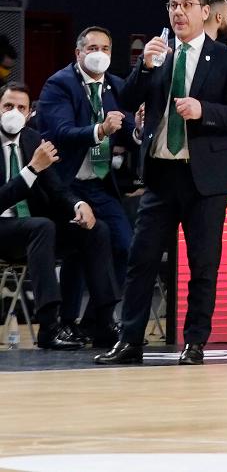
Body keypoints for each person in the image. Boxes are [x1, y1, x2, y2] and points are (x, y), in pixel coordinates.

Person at [95, 0, 227, 367]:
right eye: (172, 6)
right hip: (162, 173)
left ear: (204, 12)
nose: (177, 12)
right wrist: (144, 69)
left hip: (207, 177)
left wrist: (204, 110)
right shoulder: (159, 54)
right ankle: (130, 341)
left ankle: (195, 342)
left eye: (185, 5)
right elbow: (127, 98)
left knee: (202, 263)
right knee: (141, 258)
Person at [0, 83, 118, 350]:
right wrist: (31, 169)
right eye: (8, 106)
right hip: (4, 228)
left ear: (30, 113)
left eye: (21, 107)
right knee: (41, 226)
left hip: (35, 231)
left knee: (96, 229)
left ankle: (103, 322)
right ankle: (49, 327)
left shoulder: (32, 139)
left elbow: (55, 186)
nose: (14, 112)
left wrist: (77, 204)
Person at [36, 26, 138, 328]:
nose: (99, 54)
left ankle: (95, 318)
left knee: (125, 245)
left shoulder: (116, 86)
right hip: (65, 183)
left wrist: (139, 128)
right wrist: (101, 130)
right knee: (80, 245)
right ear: (78, 53)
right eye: (92, 48)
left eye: (105, 48)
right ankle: (67, 321)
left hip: (99, 182)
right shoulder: (59, 85)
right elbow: (61, 133)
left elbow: (130, 131)